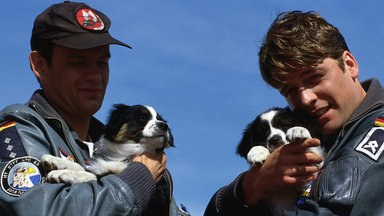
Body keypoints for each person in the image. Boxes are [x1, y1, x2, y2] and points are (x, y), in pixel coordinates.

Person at [0, 1, 188, 216]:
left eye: (102, 62)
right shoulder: (18, 127)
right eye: (78, 62)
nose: (95, 76)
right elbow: (41, 210)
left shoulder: (119, 145)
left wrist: (231, 197)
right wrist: (138, 178)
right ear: (39, 64)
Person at [205, 10, 384, 215]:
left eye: (314, 77)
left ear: (350, 65)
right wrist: (252, 185)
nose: (306, 99)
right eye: (290, 90)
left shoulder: (378, 132)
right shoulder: (318, 137)